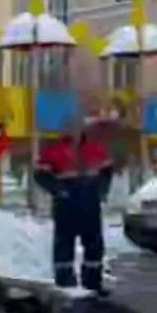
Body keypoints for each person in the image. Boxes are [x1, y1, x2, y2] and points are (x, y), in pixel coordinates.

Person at [34, 124, 114, 293]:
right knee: (64, 244)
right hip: (66, 205)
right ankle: (65, 283)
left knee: (94, 244)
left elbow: (107, 171)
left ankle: (92, 282)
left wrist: (100, 191)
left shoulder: (96, 148)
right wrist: (58, 190)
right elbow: (40, 175)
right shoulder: (54, 151)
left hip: (89, 203)